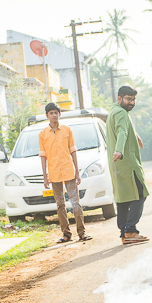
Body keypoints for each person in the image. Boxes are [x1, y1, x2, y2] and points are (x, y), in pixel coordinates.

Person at [39, 102, 92, 243]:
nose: (54, 115)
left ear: (59, 114)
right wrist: (45, 177)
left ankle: (82, 232)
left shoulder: (67, 130)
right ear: (47, 115)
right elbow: (43, 156)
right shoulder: (43, 134)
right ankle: (66, 234)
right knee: (60, 204)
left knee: (75, 203)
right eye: (51, 113)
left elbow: (73, 151)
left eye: (56, 112)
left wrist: (77, 171)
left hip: (69, 171)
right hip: (54, 173)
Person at [106, 85, 150, 245]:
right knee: (140, 194)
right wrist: (119, 150)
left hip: (118, 166)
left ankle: (124, 233)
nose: (132, 102)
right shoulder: (121, 113)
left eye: (133, 99)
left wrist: (135, 135)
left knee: (123, 199)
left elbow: (124, 129)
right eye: (128, 99)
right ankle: (131, 230)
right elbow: (122, 132)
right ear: (119, 98)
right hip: (127, 163)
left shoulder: (113, 111)